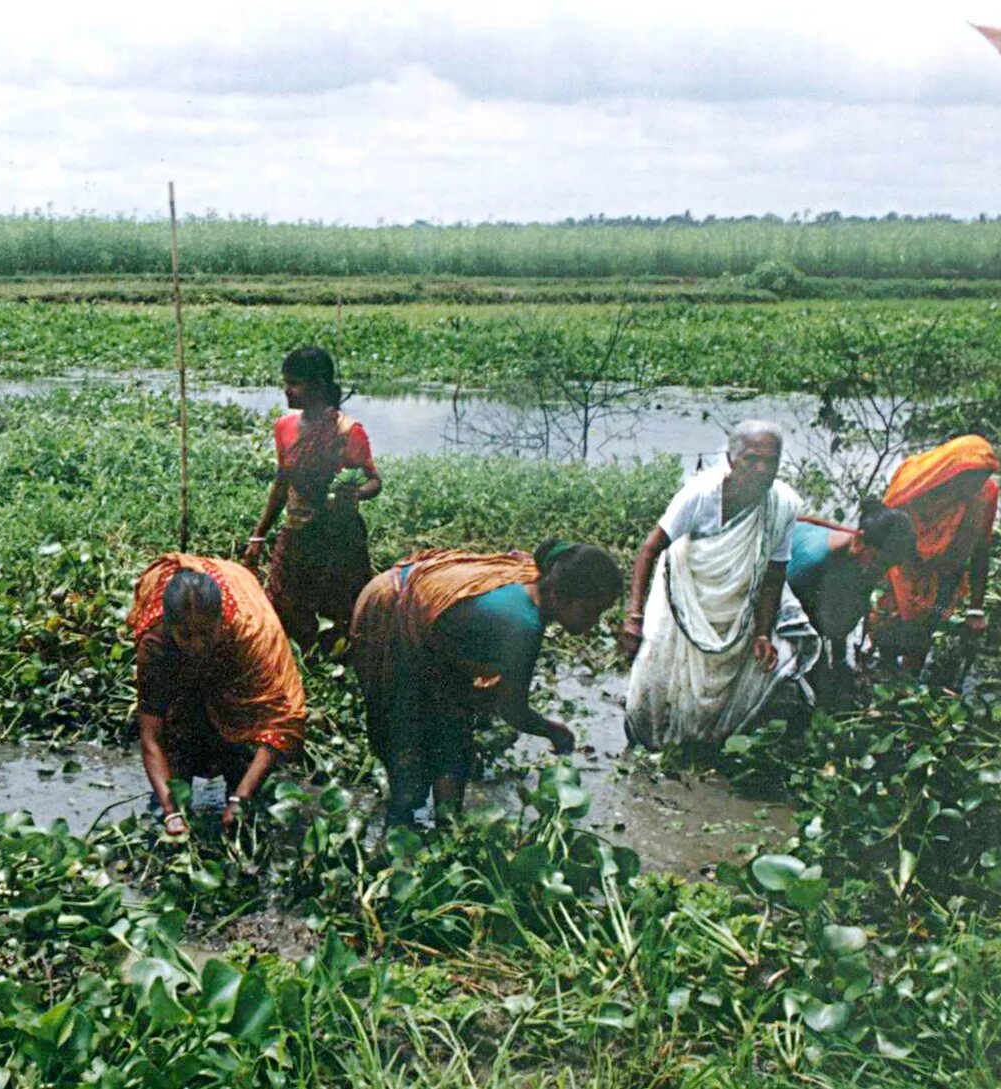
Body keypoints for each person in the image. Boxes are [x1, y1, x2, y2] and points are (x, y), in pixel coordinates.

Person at [350, 541, 622, 827]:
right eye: (591, 610)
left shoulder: (539, 582)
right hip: (389, 607)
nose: (595, 621)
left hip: (428, 621)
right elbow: (512, 710)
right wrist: (553, 731)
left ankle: (448, 829)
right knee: (405, 742)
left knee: (454, 732)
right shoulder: (522, 625)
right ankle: (399, 828)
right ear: (560, 596)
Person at [620, 421, 820, 748]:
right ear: (731, 459)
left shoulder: (781, 505)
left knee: (729, 680)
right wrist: (634, 617)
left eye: (771, 461)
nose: (761, 469)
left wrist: (762, 633)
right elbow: (649, 549)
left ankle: (703, 742)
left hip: (737, 604)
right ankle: (646, 736)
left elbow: (774, 574)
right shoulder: (701, 494)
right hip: (684, 594)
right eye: (752, 459)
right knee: (660, 671)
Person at [129, 554, 308, 838]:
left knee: (240, 745)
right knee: (180, 732)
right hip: (180, 673)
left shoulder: (249, 635)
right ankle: (175, 796)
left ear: (219, 622)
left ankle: (238, 783)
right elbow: (151, 735)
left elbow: (282, 721)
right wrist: (171, 810)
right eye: (185, 634)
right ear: (169, 626)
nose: (196, 644)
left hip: (236, 637)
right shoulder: (157, 643)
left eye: (204, 632)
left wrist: (241, 798)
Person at [243, 346, 381, 650]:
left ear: (317, 385)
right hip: (298, 532)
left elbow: (374, 480)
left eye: (294, 383)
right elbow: (282, 484)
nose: (287, 390)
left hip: (338, 536)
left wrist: (355, 493)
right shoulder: (285, 427)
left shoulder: (347, 431)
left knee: (339, 608)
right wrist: (258, 538)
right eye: (286, 382)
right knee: (287, 608)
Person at [867, 436, 1001, 673]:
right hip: (902, 568)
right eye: (970, 481)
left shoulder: (984, 495)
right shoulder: (915, 480)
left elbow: (981, 550)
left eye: (981, 481)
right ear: (952, 472)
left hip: (944, 574)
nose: (974, 489)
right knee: (888, 623)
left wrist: (976, 610)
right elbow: (884, 527)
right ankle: (883, 671)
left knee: (925, 630)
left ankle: (909, 683)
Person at [787, 501, 917, 706]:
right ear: (859, 540)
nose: (880, 572)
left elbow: (844, 616)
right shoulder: (813, 559)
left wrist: (839, 662)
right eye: (879, 562)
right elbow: (776, 601)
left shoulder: (865, 564)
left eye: (887, 566)